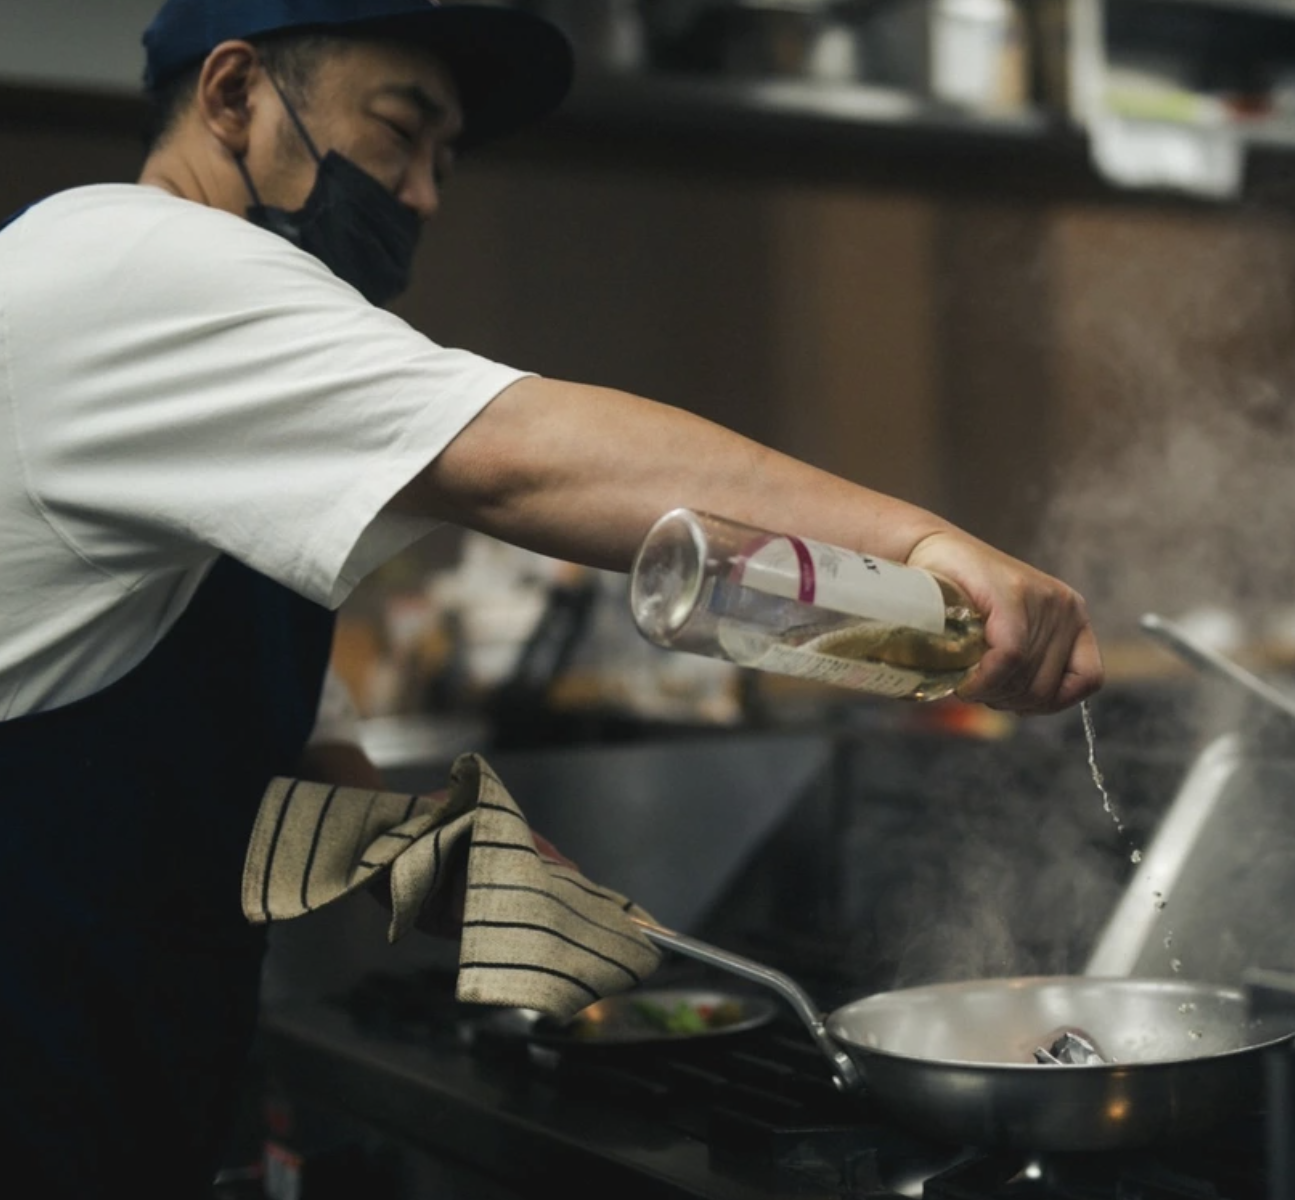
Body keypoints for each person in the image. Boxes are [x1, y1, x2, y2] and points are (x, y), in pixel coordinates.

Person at [0, 0, 1102, 1194]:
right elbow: (523, 457)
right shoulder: (129, 265)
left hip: (118, 1093)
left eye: (445, 157)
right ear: (231, 96)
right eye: (397, 129)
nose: (421, 192)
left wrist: (445, 868)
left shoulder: (200, 405)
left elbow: (255, 763)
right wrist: (924, 543)